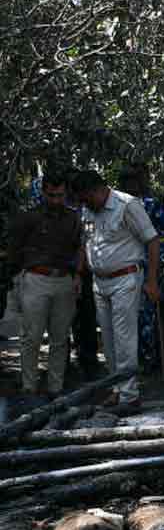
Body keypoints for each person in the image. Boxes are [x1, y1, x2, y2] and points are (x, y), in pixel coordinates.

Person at [72, 169, 160, 414]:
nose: (85, 204)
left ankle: (130, 396)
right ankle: (116, 388)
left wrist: (152, 280)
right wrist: (79, 273)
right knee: (108, 339)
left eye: (87, 198)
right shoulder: (88, 209)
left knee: (124, 338)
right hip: (99, 282)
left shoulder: (127, 205)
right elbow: (86, 242)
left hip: (126, 279)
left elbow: (152, 240)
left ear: (98, 190)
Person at [7, 168, 82, 398]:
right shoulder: (29, 217)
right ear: (43, 192)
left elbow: (80, 247)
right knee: (32, 337)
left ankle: (55, 388)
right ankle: (29, 386)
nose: (56, 200)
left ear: (66, 193)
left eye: (60, 195)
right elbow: (14, 249)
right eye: (51, 195)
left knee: (60, 338)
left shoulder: (73, 218)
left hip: (64, 280)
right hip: (35, 278)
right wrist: (17, 279)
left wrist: (77, 275)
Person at [120, 163, 164, 373]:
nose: (130, 186)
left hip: (148, 270)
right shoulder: (117, 205)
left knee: (147, 317)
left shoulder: (151, 205)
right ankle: (130, 363)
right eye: (126, 182)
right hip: (123, 270)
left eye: (133, 181)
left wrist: (157, 263)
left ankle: (149, 360)